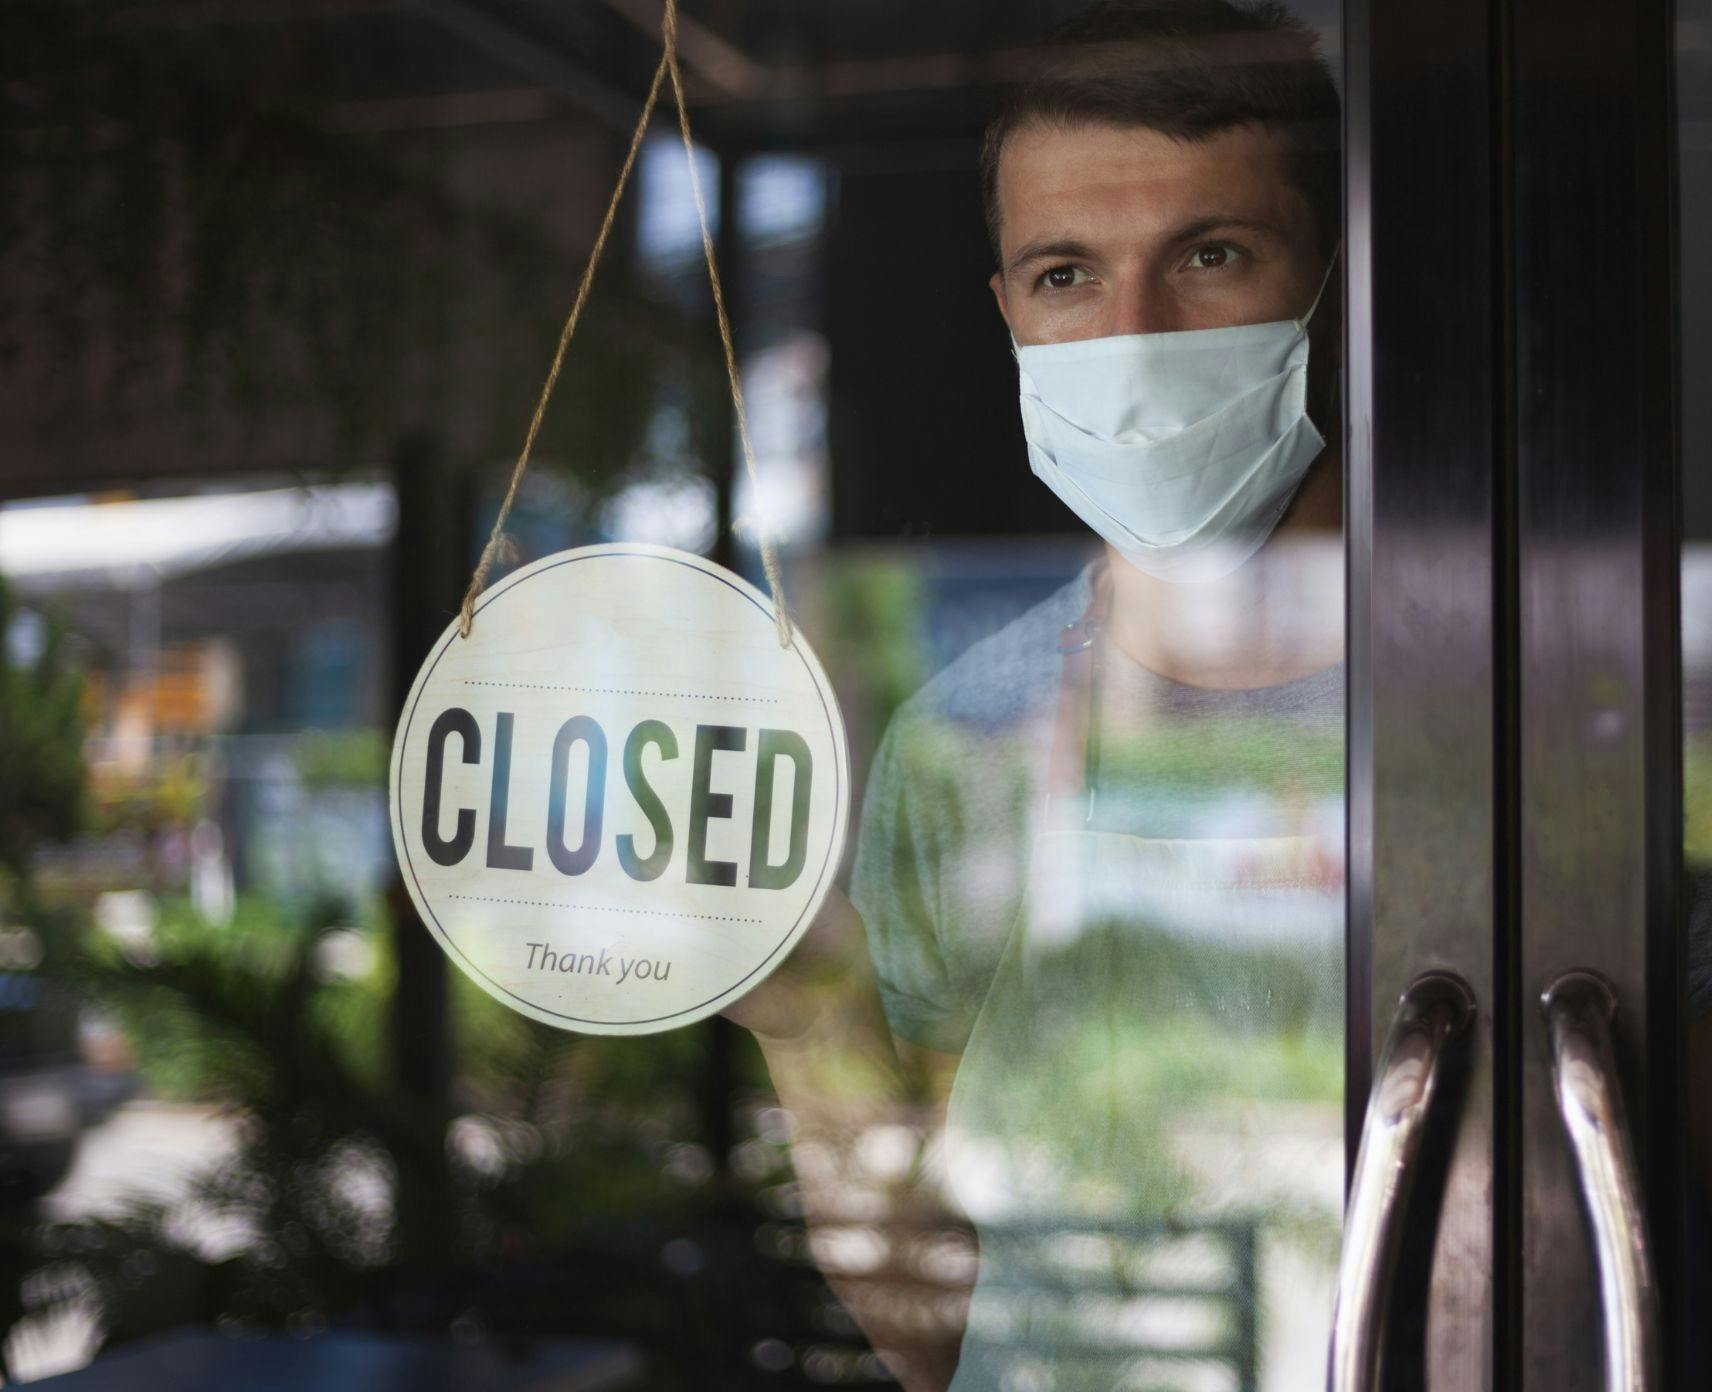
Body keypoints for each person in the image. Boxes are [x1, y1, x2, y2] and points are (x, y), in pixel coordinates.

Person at [725, 4, 1346, 1388]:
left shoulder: (1517, 703)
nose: (1136, 338)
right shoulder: (965, 737)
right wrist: (810, 1022)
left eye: (1212, 255)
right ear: (1008, 308)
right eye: (1068, 275)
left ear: (1333, 276)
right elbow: (937, 1330)